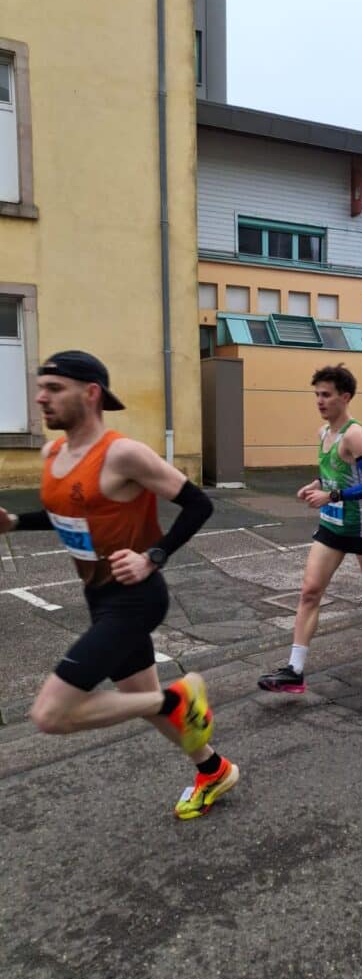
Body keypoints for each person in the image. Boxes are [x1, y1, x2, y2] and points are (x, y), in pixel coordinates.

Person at [0, 350, 234, 821]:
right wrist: (13, 522)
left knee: (50, 715)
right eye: (41, 387)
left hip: (135, 598)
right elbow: (70, 513)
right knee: (142, 703)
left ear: (90, 394)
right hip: (99, 595)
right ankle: (213, 769)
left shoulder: (122, 453)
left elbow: (198, 505)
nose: (41, 397)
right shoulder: (55, 453)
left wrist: (154, 556)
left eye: (54, 388)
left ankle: (177, 697)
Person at [258, 364, 362, 695]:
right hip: (331, 523)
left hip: (361, 526)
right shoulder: (323, 433)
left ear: (345, 397)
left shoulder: (354, 435)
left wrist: (333, 494)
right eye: (316, 395)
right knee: (310, 592)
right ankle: (295, 670)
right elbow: (332, 476)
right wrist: (315, 485)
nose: (319, 401)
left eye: (326, 395)